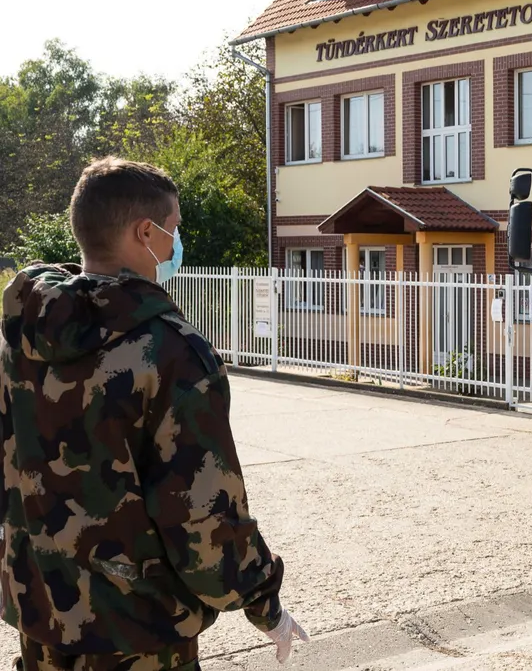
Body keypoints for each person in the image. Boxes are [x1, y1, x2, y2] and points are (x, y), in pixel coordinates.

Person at [0, 158, 307, 670]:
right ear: (146, 232)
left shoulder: (19, 337)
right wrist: (263, 603)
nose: (175, 244)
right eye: (174, 230)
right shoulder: (171, 351)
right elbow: (201, 513)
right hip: (137, 632)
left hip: (42, 615)